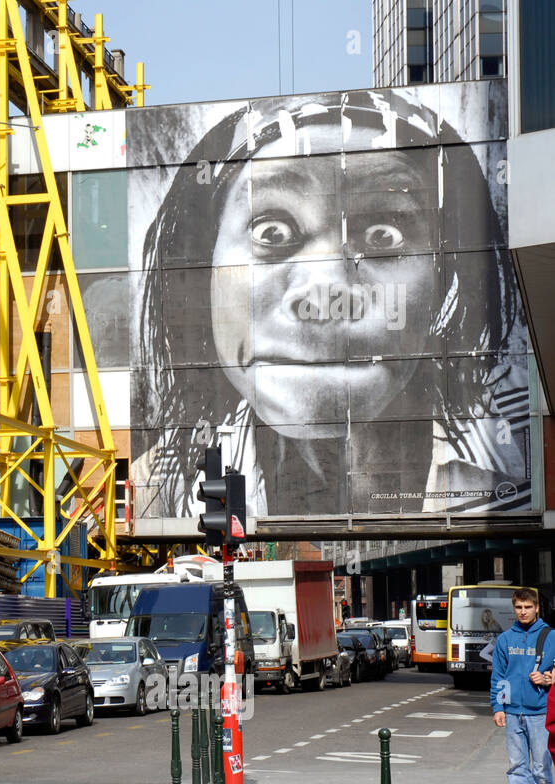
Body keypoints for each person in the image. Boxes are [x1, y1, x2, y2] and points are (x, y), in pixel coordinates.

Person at [132, 87, 529, 519]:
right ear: (203, 268)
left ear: (444, 274)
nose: (324, 294)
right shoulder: (160, 484)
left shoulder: (521, 443)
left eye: (383, 235)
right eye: (271, 233)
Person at [490, 587, 555, 784]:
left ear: (537, 608)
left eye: (528, 607)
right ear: (514, 608)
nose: (523, 612)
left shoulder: (552, 636)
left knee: (540, 766)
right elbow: (499, 676)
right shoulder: (506, 639)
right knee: (517, 766)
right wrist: (498, 707)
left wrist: (549, 680)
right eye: (519, 607)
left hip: (540, 712)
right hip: (513, 712)